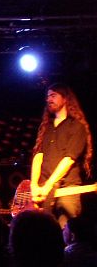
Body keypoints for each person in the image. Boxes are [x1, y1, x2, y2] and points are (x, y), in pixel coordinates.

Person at [30, 83, 93, 227]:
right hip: (43, 192)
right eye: (47, 96)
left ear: (65, 99)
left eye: (53, 95)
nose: (49, 99)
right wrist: (34, 185)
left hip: (66, 190)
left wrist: (49, 185)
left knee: (65, 232)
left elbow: (68, 160)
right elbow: (38, 156)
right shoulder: (46, 127)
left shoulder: (77, 126)